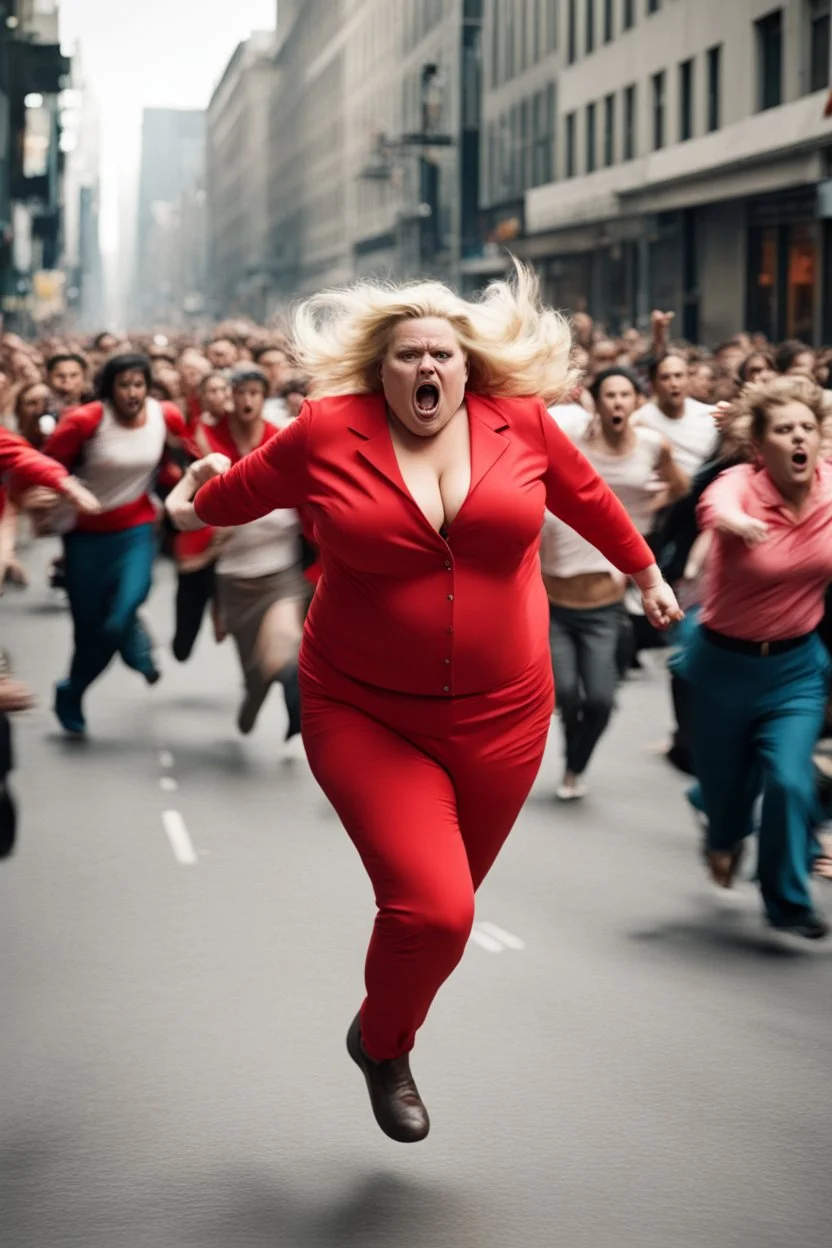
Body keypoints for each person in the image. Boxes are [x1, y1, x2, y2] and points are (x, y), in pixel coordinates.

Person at [166, 265, 680, 1142]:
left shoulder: (517, 424)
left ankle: (376, 1031)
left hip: (506, 714)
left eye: (442, 353)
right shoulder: (328, 431)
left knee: (443, 916)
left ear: (467, 367)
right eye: (408, 356)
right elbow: (235, 493)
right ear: (382, 370)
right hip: (366, 710)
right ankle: (387, 1046)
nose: (426, 368)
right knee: (435, 910)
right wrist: (186, 506)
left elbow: (584, 496)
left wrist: (644, 571)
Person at [681, 375, 832, 939]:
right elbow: (713, 506)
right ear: (759, 444)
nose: (798, 437)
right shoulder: (739, 483)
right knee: (727, 795)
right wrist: (737, 522)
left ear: (820, 438)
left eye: (807, 428)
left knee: (790, 780)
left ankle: (787, 898)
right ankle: (721, 832)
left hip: (795, 670)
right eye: (784, 428)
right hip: (723, 667)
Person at [543, 367, 687, 799]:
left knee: (601, 701)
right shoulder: (570, 448)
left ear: (635, 401)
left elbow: (681, 487)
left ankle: (575, 765)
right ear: (596, 401)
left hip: (605, 607)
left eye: (626, 394)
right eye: (610, 395)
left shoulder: (646, 448)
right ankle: (572, 759)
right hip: (556, 606)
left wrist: (643, 515)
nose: (618, 403)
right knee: (567, 693)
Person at [36, 353, 194, 736]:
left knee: (122, 612)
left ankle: (96, 669)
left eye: (139, 384)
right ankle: (74, 690)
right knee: (89, 630)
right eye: (124, 385)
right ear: (109, 389)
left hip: (136, 531)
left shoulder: (165, 415)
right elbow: (47, 466)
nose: (132, 393)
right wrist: (48, 499)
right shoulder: (85, 420)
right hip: (85, 537)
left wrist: (184, 479)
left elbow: (191, 452)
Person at [179, 366, 304, 735]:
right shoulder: (207, 437)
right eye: (240, 392)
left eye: (255, 392)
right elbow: (191, 497)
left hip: (281, 570)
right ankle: (253, 696)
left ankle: (295, 703)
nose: (247, 400)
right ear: (229, 397)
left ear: (265, 398)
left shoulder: (282, 436)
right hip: (233, 574)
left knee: (285, 648)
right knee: (255, 664)